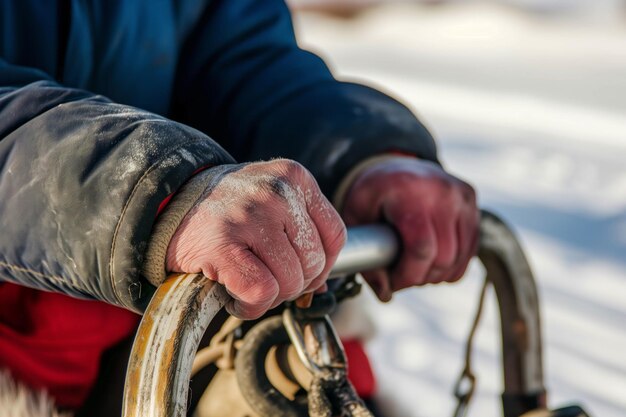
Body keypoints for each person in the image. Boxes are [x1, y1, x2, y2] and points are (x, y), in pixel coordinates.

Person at [0, 0, 479, 415]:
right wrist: (156, 189)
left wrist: (358, 155)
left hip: (148, 315)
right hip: (31, 323)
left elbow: (242, 59)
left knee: (293, 375)